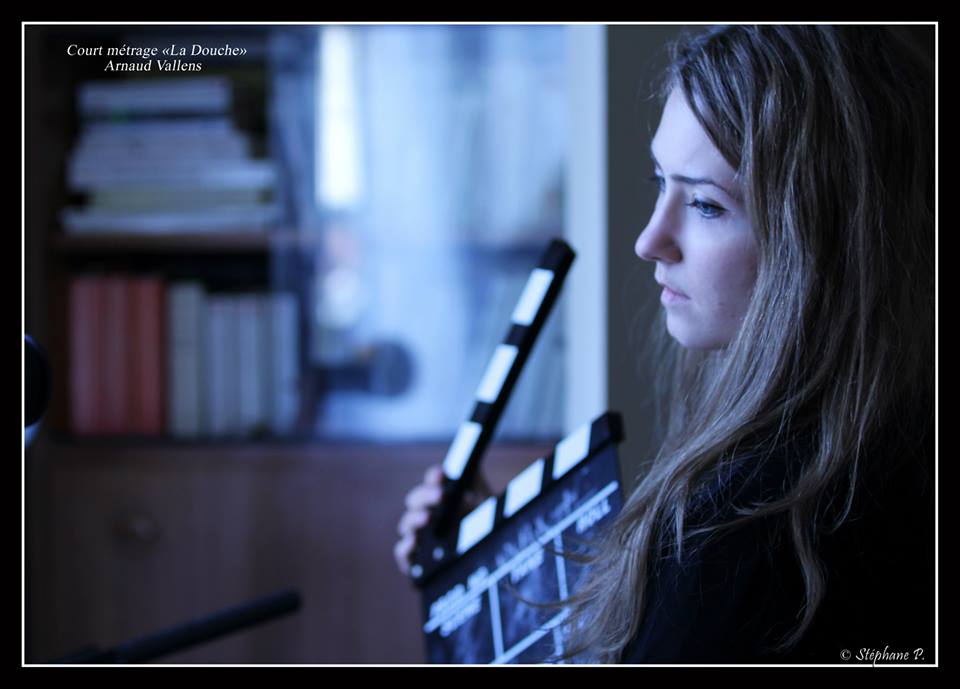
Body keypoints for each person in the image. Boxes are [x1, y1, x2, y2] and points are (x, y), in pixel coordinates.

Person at [394, 25, 935, 664]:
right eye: (660, 182)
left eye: (706, 206)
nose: (650, 239)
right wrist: (497, 567)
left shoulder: (741, 541)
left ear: (822, 239)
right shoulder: (893, 442)